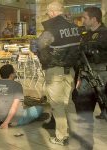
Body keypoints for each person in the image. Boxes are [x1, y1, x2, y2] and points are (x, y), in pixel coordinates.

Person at [37, 1, 80, 146]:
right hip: (70, 70)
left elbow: (39, 47)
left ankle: (61, 137)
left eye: (48, 13)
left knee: (57, 104)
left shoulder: (51, 29)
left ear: (53, 12)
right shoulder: (74, 28)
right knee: (69, 102)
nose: (48, 16)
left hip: (55, 71)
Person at [73, 6, 107, 150]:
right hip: (86, 78)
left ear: (94, 19)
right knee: (83, 116)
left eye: (85, 18)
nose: (82, 21)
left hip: (103, 78)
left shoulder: (105, 34)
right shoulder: (84, 35)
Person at [0, 64, 43, 129]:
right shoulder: (17, 85)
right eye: (14, 72)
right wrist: (6, 123)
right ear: (11, 74)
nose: (15, 73)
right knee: (39, 108)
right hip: (13, 121)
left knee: (24, 105)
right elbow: (14, 106)